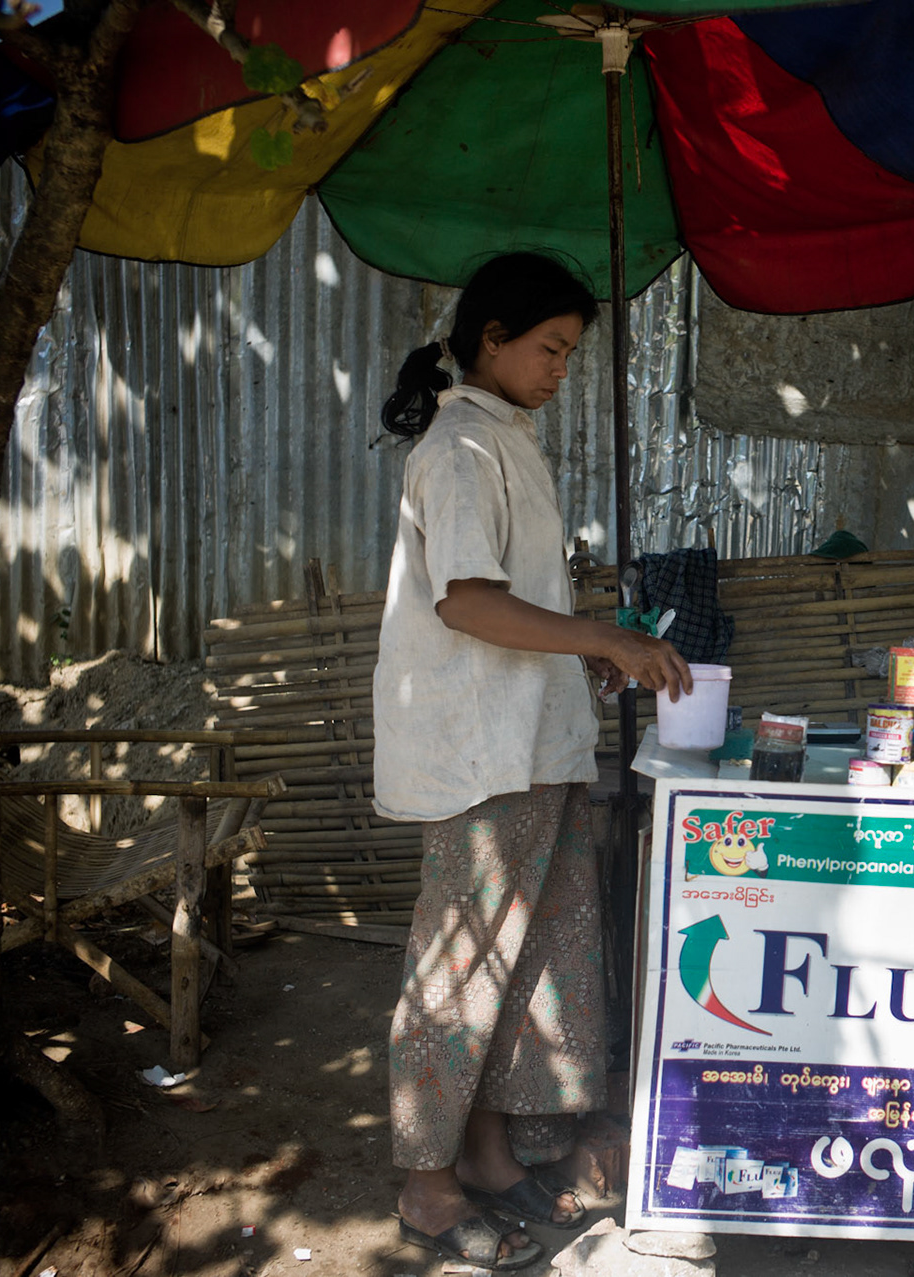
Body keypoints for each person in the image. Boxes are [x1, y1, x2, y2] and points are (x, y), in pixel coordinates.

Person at [372, 252, 691, 1269]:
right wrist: (603, 636)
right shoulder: (462, 448)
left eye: (570, 353)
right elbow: (467, 602)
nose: (560, 369)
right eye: (549, 348)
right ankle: (427, 1186)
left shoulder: (505, 439)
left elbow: (517, 609)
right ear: (492, 339)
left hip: (530, 744)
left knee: (516, 966)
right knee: (463, 967)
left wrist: (581, 657)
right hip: (481, 756)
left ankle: (489, 1152)